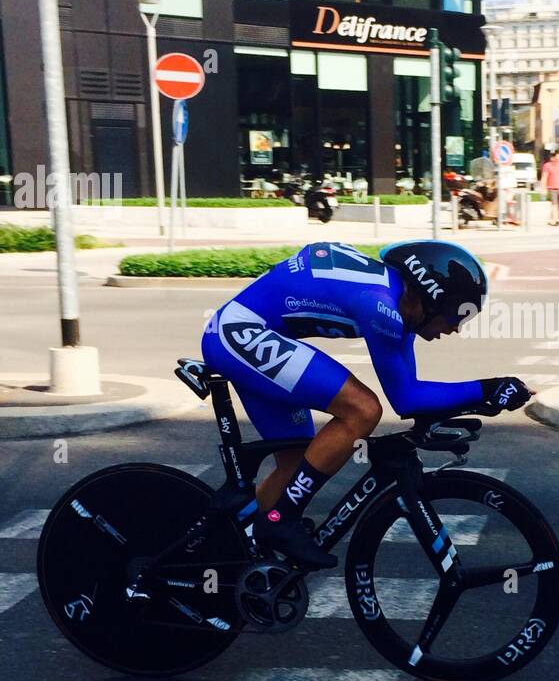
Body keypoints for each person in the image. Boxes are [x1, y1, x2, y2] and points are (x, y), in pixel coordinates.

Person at [201, 241, 533, 571]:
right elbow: (406, 400)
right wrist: (488, 389)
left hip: (243, 333)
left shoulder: (400, 301)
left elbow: (410, 392)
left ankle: (231, 552)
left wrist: (480, 397)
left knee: (299, 462)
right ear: (428, 298)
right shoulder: (381, 307)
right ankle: (278, 521)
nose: (455, 328)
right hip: (239, 334)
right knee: (362, 409)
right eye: (453, 315)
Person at [540, 151, 559, 225]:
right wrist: (543, 188)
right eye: (558, 157)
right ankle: (555, 220)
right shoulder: (547, 165)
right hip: (552, 188)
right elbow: (544, 177)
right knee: (554, 204)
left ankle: (551, 219)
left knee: (557, 204)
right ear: (553, 158)